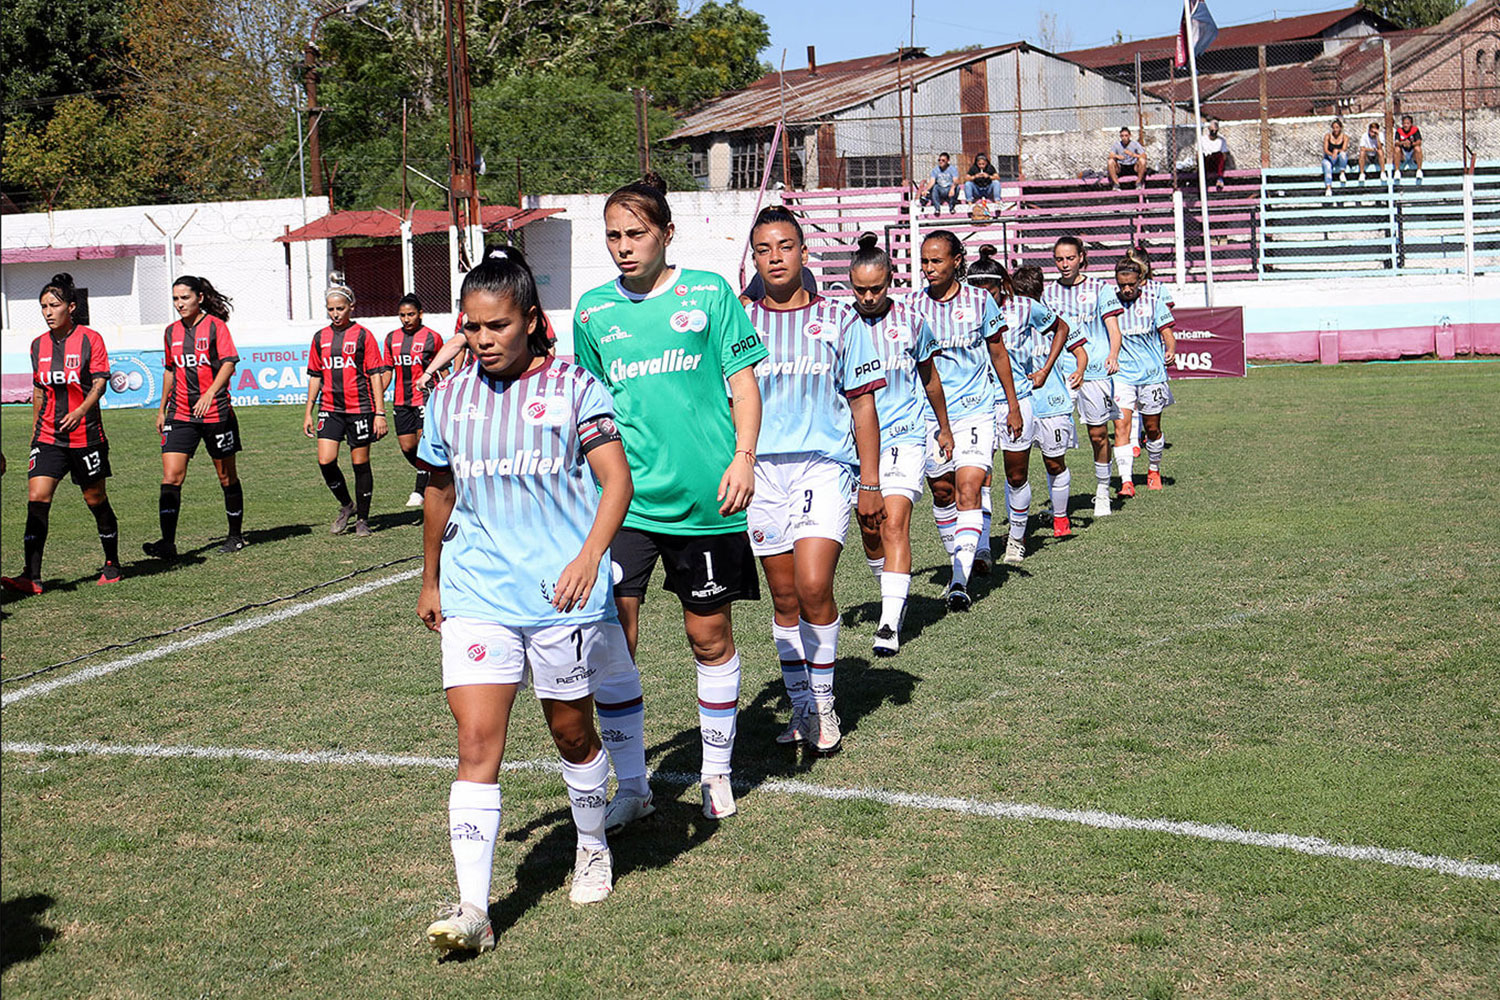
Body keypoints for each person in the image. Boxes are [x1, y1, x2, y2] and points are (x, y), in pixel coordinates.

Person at [416, 248, 634, 954]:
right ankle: (475, 910)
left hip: (561, 596)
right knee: (477, 741)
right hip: (478, 590)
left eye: (497, 326)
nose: (482, 340)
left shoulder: (575, 389)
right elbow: (439, 493)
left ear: (531, 321)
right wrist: (430, 577)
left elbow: (616, 483)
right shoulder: (447, 397)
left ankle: (593, 845)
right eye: (473, 327)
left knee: (572, 733)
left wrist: (587, 557)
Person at [571, 178, 766, 822]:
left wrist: (743, 456)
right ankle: (632, 787)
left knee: (707, 638)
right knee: (613, 644)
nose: (623, 248)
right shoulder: (593, 311)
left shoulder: (709, 293)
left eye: (636, 234)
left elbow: (742, 385)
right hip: (624, 505)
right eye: (613, 236)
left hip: (708, 500)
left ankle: (714, 772)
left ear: (666, 234)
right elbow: (591, 412)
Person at [744, 205, 885, 751]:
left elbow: (863, 406)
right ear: (754, 257)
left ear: (805, 253)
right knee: (783, 599)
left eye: (784, 246)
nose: (775, 257)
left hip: (823, 466)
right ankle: (800, 706)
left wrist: (869, 482)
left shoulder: (841, 320)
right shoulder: (740, 320)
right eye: (763, 249)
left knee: (812, 585)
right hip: (759, 473)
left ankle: (825, 705)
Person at [847, 233, 953, 656]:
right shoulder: (840, 323)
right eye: (861, 289)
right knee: (869, 529)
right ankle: (893, 589)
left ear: (890, 280)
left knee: (892, 521)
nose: (869, 296)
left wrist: (942, 428)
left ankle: (889, 624)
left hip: (905, 436)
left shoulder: (911, 321)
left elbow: (929, 377)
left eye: (877, 288)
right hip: (852, 443)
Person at [910, 231, 1024, 610]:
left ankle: (959, 580)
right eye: (924, 261)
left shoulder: (980, 302)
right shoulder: (911, 306)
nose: (928, 269)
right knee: (942, 493)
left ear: (957, 260)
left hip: (975, 410)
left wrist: (1012, 404)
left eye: (936, 261)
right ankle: (960, 555)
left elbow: (999, 354)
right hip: (927, 415)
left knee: (969, 487)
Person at [1, 273, 122, 594]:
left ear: (71, 307)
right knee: (37, 498)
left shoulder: (90, 339)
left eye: (54, 305)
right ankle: (31, 575)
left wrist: (81, 411)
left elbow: (99, 382)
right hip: (49, 437)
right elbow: (39, 390)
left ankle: (112, 563)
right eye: (43, 306)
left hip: (86, 435)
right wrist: (34, 433)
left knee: (94, 499)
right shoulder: (37, 345)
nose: (48, 312)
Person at [968, 247, 1080, 566]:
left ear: (1002, 283)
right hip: (977, 407)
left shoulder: (1025, 308)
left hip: (1016, 403)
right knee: (980, 477)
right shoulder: (967, 311)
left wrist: (1044, 369)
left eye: (986, 290)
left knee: (1016, 476)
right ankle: (983, 546)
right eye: (974, 290)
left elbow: (1061, 328)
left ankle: (1016, 540)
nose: (981, 297)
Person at [142, 276, 246, 560]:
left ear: (199, 297)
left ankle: (235, 536)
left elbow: (228, 363)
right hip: (180, 413)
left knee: (226, 476)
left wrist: (210, 393)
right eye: (175, 299)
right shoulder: (170, 332)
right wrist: (162, 409)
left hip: (216, 412)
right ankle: (168, 543)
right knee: (171, 476)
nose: (179, 304)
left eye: (184, 298)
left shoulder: (215, 326)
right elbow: (170, 371)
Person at [1042, 236, 1124, 520]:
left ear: (1081, 258)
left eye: (1069, 258)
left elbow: (1114, 328)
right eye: (1059, 259)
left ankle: (1102, 491)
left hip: (1095, 372)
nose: (1064, 264)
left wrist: (1113, 354)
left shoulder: (1100, 288)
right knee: (1054, 439)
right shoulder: (1048, 293)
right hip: (1060, 374)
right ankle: (1058, 500)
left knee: (1098, 433)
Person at [302, 277, 389, 537]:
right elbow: (316, 375)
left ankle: (363, 519)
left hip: (360, 408)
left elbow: (375, 374)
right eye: (330, 309)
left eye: (340, 308)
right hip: (330, 408)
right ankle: (346, 505)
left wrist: (380, 413)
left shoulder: (363, 335)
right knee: (325, 460)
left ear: (351, 307)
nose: (335, 313)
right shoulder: (320, 338)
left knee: (359, 462)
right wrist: (308, 411)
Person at [1010, 266, 1087, 537]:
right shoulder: (1006, 322)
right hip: (1017, 404)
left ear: (1039, 293)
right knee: (1016, 470)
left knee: (1054, 462)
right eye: (1019, 295)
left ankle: (1061, 518)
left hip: (1052, 403)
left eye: (1028, 296)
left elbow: (1080, 351)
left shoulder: (1054, 320)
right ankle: (1014, 527)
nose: (1024, 302)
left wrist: (1079, 369)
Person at [1111, 260, 1176, 491]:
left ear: (1140, 281)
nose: (1126, 289)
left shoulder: (1154, 303)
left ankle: (1153, 469)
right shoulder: (1110, 304)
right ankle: (1126, 481)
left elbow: (1167, 333)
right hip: (1122, 376)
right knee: (1122, 428)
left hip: (1151, 375)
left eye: (1130, 284)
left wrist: (1170, 350)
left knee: (1152, 429)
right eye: (1122, 285)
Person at [383, 294, 445, 507]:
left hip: (425, 397)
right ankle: (434, 473)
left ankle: (419, 490)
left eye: (411, 314)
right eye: (402, 315)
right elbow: (387, 371)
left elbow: (443, 367)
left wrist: (448, 394)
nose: (406, 319)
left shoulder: (432, 337)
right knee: (408, 447)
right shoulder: (391, 338)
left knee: (422, 443)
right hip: (401, 401)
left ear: (420, 314)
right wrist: (376, 394)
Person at [1322, 118, 1349, 196]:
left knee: (1343, 154)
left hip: (1338, 158)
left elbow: (1344, 148)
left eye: (1337, 127)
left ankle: (1342, 173)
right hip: (1329, 158)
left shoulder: (1345, 137)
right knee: (1327, 166)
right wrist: (1332, 155)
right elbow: (1325, 149)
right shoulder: (1328, 136)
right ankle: (1328, 188)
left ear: (1340, 128)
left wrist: (1337, 151)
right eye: (1333, 128)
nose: (1335, 129)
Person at [1199, 119, 1227, 192]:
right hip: (1206, 162)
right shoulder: (1202, 139)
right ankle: (1202, 182)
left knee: (1219, 155)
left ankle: (1220, 178)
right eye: (1212, 130)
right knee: (1203, 157)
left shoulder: (1222, 140)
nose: (1214, 133)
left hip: (1216, 163)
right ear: (1208, 129)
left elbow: (1224, 156)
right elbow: (1197, 155)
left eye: (1215, 131)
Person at [1395, 114, 1423, 183]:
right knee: (1396, 149)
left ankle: (1419, 170)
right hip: (1403, 153)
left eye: (1407, 123)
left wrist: (1410, 143)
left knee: (1418, 148)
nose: (1405, 125)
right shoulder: (1399, 131)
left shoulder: (1415, 130)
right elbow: (1396, 142)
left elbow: (1419, 142)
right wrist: (1403, 143)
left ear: (1411, 124)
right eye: (1404, 123)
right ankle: (1397, 171)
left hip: (1412, 152)